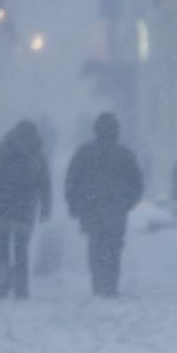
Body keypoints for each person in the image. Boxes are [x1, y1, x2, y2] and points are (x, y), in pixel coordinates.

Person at [65, 112, 143, 297]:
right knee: (114, 247)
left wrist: (74, 203)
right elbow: (137, 183)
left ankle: (98, 282)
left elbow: (72, 180)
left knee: (96, 245)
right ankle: (111, 284)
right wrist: (128, 201)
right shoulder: (124, 154)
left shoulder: (85, 152)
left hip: (91, 207)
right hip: (116, 209)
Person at [0, 120, 52, 299]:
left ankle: (3, 284)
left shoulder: (1, 150)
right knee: (21, 249)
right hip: (24, 208)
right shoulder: (37, 154)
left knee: (2, 247)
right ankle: (21, 287)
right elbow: (44, 184)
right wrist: (45, 207)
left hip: (0, 206)